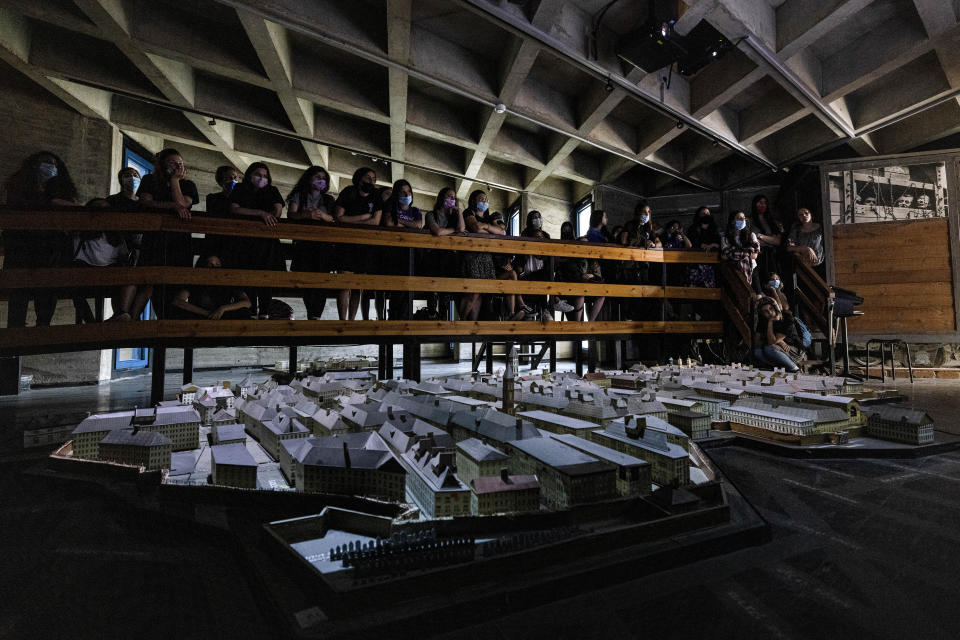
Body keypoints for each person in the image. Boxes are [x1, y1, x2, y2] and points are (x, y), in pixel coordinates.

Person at [4, 151, 78, 328]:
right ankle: (15, 335)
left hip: (50, 249)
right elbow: (18, 212)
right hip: (21, 247)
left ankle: (42, 327)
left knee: (46, 292)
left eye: (53, 164)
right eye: (45, 163)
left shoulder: (62, 191)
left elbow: (72, 213)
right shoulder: (18, 188)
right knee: (18, 293)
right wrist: (53, 203)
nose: (50, 167)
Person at [73, 167, 145, 322]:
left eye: (135, 175)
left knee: (134, 277)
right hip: (106, 254)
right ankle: (108, 317)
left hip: (128, 248)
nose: (132, 178)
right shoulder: (113, 201)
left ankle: (126, 315)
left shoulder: (143, 202)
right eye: (127, 175)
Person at [229, 161, 285, 318]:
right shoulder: (240, 189)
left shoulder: (272, 190)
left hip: (267, 241)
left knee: (266, 277)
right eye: (258, 175)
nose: (262, 178)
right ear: (249, 176)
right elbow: (234, 209)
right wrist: (260, 213)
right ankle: (251, 311)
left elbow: (278, 209)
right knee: (249, 275)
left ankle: (264, 312)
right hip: (245, 241)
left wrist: (272, 214)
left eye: (265, 176)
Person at [137, 148, 200, 270]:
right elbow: (146, 202)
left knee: (178, 273)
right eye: (172, 162)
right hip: (154, 234)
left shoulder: (188, 185)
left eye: (180, 163)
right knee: (149, 273)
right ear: (162, 164)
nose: (177, 166)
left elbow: (182, 203)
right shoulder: (149, 180)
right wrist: (172, 205)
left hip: (180, 235)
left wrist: (175, 180)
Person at [333, 167, 382, 320]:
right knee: (344, 284)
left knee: (357, 287)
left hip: (365, 245)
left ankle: (351, 320)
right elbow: (339, 217)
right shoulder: (348, 192)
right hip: (346, 243)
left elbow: (376, 221)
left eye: (374, 179)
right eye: (368, 177)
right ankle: (342, 320)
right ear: (359, 178)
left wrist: (354, 219)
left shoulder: (376, 195)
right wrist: (363, 217)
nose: (371, 181)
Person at [287, 166, 335, 320]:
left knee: (322, 280)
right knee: (306, 279)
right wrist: (305, 215)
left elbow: (334, 219)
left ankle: (316, 316)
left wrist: (321, 215)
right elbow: (291, 215)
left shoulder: (328, 200)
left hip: (323, 245)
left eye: (323, 178)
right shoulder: (299, 195)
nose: (320, 180)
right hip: (304, 244)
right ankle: (311, 311)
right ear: (309, 178)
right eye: (317, 177)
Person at [517, 210, 573, 316]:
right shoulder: (524, 235)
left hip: (543, 274)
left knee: (548, 275)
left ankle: (546, 309)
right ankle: (554, 301)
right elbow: (519, 260)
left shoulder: (546, 236)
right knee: (544, 275)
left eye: (539, 217)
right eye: (534, 217)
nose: (538, 219)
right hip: (528, 275)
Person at [420, 187, 464, 319]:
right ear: (441, 198)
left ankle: (444, 313)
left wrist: (460, 212)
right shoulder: (431, 214)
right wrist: (453, 230)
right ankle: (432, 311)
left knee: (450, 262)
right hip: (431, 257)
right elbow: (437, 231)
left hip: (448, 259)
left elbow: (461, 229)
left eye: (454, 197)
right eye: (449, 196)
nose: (451, 199)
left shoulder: (454, 217)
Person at [382, 180, 423, 319]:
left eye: (409, 192)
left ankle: (405, 318)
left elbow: (418, 225)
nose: (407, 194)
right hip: (394, 253)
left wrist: (399, 222)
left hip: (411, 253)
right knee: (397, 289)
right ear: (397, 194)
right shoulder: (391, 207)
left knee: (408, 288)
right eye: (403, 192)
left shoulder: (415, 210)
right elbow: (388, 223)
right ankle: (394, 318)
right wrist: (408, 226)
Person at [460, 189, 502, 321]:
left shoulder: (489, 218)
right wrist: (489, 229)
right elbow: (476, 228)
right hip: (472, 256)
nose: (484, 201)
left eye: (486, 199)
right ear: (473, 201)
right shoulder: (468, 212)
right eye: (481, 199)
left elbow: (501, 232)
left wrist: (486, 226)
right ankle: (462, 321)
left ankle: (473, 324)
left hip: (486, 258)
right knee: (473, 291)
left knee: (481, 294)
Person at [169, 255, 252, 319]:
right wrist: (206, 313)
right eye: (210, 264)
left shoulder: (227, 282)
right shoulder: (195, 282)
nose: (214, 267)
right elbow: (177, 301)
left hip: (222, 316)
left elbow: (247, 303)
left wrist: (222, 309)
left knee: (244, 312)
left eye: (217, 264)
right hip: (200, 317)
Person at [557, 221, 604, 322]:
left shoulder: (593, 260)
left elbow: (598, 275)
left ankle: (590, 323)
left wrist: (592, 276)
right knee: (580, 294)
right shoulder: (574, 259)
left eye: (586, 244)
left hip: (589, 285)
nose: (584, 246)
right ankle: (578, 324)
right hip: (575, 287)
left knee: (602, 294)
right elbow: (570, 273)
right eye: (581, 244)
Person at [202, 165, 240, 263]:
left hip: (237, 241)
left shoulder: (242, 200)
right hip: (219, 241)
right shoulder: (213, 198)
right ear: (221, 182)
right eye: (228, 178)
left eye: (235, 177)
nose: (233, 180)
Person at [753, 298, 801, 372]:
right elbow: (756, 343)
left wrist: (775, 341)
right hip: (777, 350)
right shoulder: (763, 322)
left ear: (775, 308)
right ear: (762, 314)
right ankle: (780, 368)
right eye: (765, 311)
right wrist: (779, 342)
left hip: (794, 350)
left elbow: (772, 342)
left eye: (771, 308)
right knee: (757, 352)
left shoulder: (787, 318)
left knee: (769, 349)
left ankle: (795, 368)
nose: (769, 312)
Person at [721, 210, 760, 289]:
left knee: (756, 294)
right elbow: (724, 256)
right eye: (739, 218)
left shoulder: (751, 235)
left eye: (744, 218)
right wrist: (746, 252)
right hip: (734, 270)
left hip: (751, 268)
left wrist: (735, 253)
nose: (743, 220)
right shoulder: (725, 238)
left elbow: (754, 255)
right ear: (732, 221)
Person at [750, 194, 783, 283]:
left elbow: (778, 241)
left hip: (772, 257)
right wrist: (769, 239)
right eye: (760, 202)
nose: (763, 205)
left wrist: (760, 236)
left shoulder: (772, 221)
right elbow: (752, 241)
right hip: (759, 257)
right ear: (755, 204)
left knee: (775, 282)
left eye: (765, 203)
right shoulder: (749, 221)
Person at [686, 206, 720, 288]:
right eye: (703, 213)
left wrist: (713, 245)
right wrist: (700, 244)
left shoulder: (714, 227)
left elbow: (719, 241)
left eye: (708, 213)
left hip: (710, 263)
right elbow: (690, 242)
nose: (706, 215)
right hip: (696, 262)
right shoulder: (693, 228)